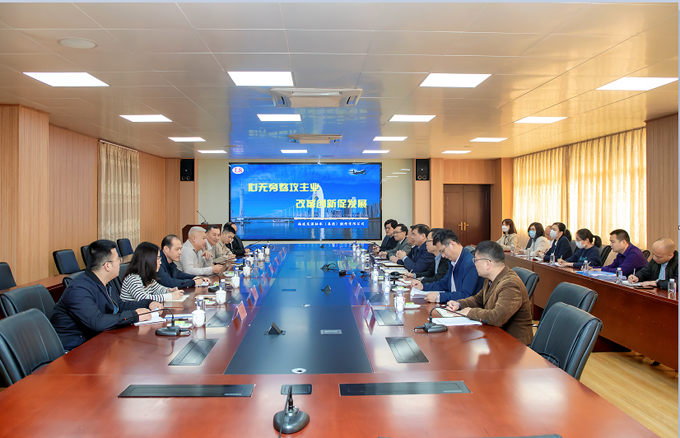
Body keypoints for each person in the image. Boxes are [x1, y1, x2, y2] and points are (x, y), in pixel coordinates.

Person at [50, 240, 159, 350]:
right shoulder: (79, 289)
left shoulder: (105, 282)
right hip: (75, 349)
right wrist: (134, 315)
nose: (120, 262)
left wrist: (148, 303)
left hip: (97, 341)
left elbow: (119, 306)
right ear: (107, 266)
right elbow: (97, 322)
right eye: (118, 259)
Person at [445, 241, 533, 346]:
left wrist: (470, 312)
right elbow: (478, 299)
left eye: (476, 260)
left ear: (487, 263)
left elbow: (497, 317)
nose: (474, 263)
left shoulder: (510, 284)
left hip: (514, 345)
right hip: (495, 338)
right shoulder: (491, 278)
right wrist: (459, 304)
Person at [410, 229, 484, 304]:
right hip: (452, 305)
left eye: (442, 251)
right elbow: (444, 284)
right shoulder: (452, 260)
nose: (443, 255)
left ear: (452, 244)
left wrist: (440, 297)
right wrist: (423, 286)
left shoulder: (470, 263)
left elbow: (466, 295)